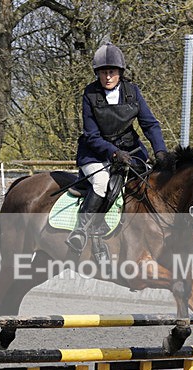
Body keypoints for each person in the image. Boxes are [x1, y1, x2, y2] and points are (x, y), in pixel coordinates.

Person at [67, 42, 168, 256]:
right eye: (103, 73)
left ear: (120, 73)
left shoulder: (132, 92)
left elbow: (149, 124)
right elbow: (91, 135)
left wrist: (160, 151)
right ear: (98, 74)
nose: (108, 77)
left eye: (112, 72)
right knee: (102, 183)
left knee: (148, 180)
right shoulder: (90, 94)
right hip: (95, 151)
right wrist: (113, 152)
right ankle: (82, 231)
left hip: (130, 150)